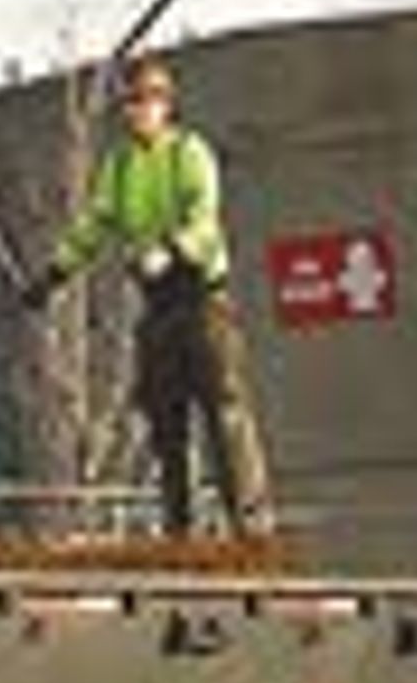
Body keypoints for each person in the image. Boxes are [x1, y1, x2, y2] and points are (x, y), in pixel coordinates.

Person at [30, 48, 275, 541]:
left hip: (201, 294)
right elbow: (95, 226)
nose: (137, 112)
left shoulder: (188, 152)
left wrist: (171, 250)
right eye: (130, 104)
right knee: (165, 416)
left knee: (223, 405)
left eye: (146, 101)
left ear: (165, 105)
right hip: (157, 302)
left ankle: (249, 522)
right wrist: (55, 273)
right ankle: (178, 527)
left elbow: (204, 219)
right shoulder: (119, 167)